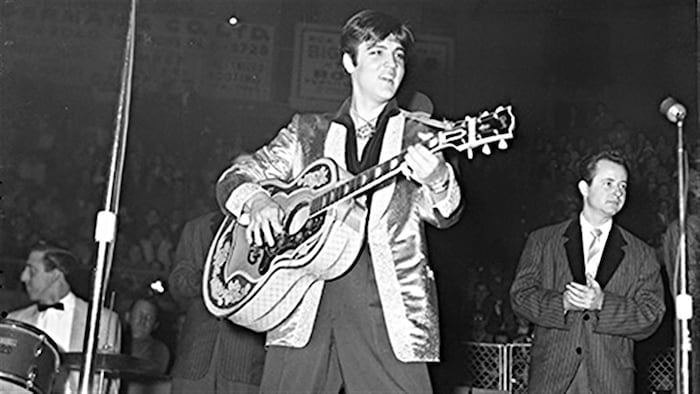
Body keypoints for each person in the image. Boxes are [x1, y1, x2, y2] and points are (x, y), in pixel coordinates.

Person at [215, 9, 462, 393]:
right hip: (301, 298)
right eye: (377, 52)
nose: (391, 64)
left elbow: (445, 212)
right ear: (349, 62)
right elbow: (234, 178)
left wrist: (438, 178)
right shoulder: (306, 133)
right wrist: (258, 203)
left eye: (398, 54)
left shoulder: (420, 135)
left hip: (385, 302)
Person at [509, 150, 665, 394]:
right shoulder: (543, 241)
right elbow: (520, 296)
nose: (618, 192)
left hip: (610, 380)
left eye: (623, 185)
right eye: (609, 183)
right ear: (584, 187)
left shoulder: (642, 253)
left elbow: (651, 315)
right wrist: (560, 303)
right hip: (552, 379)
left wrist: (603, 303)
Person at [168, 210, 266, 394]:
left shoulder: (266, 224)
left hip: (246, 364)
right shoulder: (196, 228)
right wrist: (210, 277)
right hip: (194, 360)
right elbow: (177, 285)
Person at [7, 241, 121, 393]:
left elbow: (110, 387)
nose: (23, 277)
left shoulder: (103, 321)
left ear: (55, 275)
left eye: (32, 271)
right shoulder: (16, 320)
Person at [122, 297, 171, 394]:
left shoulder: (159, 350)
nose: (142, 321)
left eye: (149, 318)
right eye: (139, 315)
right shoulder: (115, 341)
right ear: (128, 317)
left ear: (155, 325)